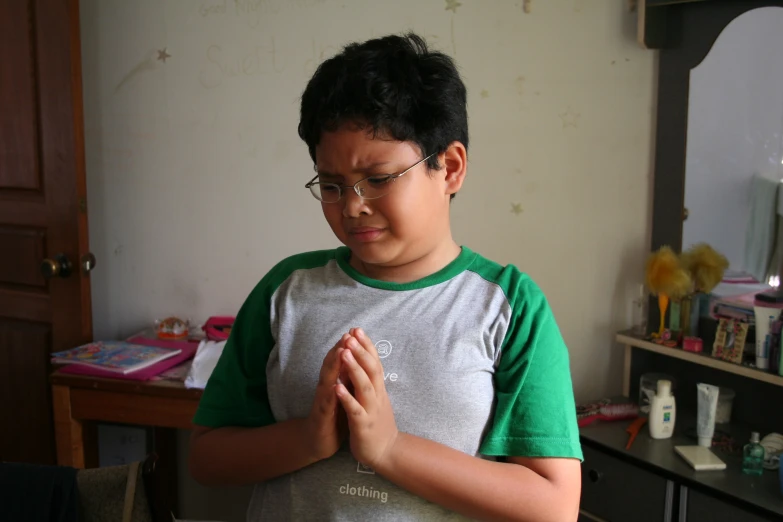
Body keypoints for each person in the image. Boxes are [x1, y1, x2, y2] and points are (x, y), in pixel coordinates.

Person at [189, 32, 583, 521]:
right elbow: (206, 457)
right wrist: (309, 439)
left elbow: (554, 505)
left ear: (451, 167)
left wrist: (390, 449)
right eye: (331, 185)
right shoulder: (287, 290)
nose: (352, 205)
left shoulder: (508, 306)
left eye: (377, 178)